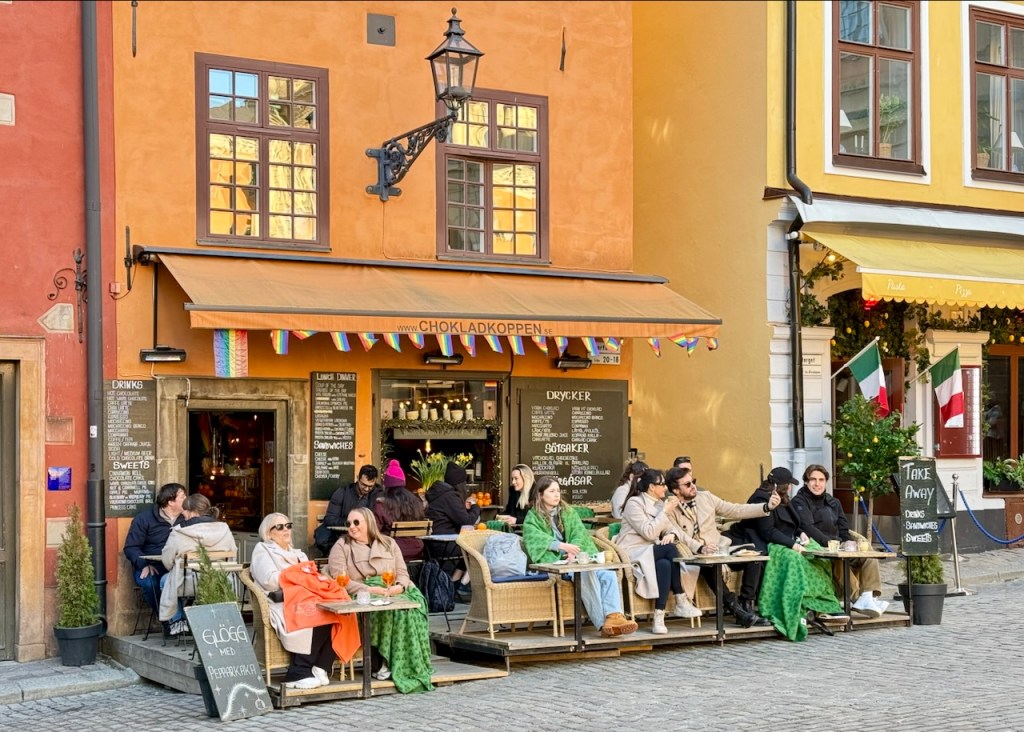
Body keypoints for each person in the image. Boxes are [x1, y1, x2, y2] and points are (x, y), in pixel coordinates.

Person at [733, 467, 848, 640]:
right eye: (789, 484)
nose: (791, 488)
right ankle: (798, 605)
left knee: (817, 555)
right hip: (769, 543)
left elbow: (795, 523)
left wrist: (800, 533)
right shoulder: (762, 498)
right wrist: (793, 544)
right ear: (782, 485)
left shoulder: (784, 499)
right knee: (796, 559)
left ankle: (824, 606)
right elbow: (768, 531)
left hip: (787, 540)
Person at [327, 507, 434, 693]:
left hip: (392, 588)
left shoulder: (388, 543)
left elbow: (402, 572)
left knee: (411, 609)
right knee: (397, 612)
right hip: (363, 592)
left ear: (369, 522)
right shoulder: (342, 546)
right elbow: (339, 579)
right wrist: (368, 589)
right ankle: (389, 662)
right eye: (348, 523)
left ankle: (405, 663)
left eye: (356, 522)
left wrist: (399, 587)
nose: (351, 527)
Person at [523, 476, 637, 637]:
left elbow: (579, 534)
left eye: (558, 491)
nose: (557, 495)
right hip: (555, 563)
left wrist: (573, 550)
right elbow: (532, 537)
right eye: (552, 491)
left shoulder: (568, 512)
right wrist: (560, 546)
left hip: (576, 558)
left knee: (608, 575)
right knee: (586, 573)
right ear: (541, 495)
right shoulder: (533, 516)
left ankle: (614, 616)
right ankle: (603, 623)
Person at [663, 466, 775, 627]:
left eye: (693, 482)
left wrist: (766, 507)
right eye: (687, 485)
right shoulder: (670, 508)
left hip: (719, 547)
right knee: (709, 566)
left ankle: (746, 606)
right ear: (675, 490)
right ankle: (734, 608)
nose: (693, 486)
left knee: (754, 557)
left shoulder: (705, 497)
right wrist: (701, 548)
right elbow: (679, 536)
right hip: (694, 555)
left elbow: (734, 510)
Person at [250, 512, 337, 689]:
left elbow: (312, 577)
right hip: (282, 602)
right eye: (279, 527)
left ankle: (321, 665)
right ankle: (298, 671)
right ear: (268, 533)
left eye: (288, 525)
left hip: (306, 598)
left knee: (338, 611)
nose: (286, 530)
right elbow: (271, 580)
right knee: (318, 612)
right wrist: (300, 577)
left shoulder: (299, 554)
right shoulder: (263, 550)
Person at [790, 464, 889, 618]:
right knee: (840, 560)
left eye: (821, 480)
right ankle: (856, 597)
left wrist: (849, 544)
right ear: (806, 482)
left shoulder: (834, 502)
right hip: (818, 547)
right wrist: (831, 545)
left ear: (826, 482)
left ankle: (868, 596)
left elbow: (844, 528)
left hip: (838, 544)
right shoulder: (799, 501)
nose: (817, 484)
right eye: (813, 480)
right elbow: (807, 527)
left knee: (868, 555)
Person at [613, 468, 689, 634]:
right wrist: (666, 512)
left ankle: (658, 615)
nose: (665, 488)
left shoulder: (660, 504)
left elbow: (670, 528)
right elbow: (649, 533)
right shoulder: (634, 504)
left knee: (664, 564)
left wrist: (670, 534)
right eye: (661, 484)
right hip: (633, 551)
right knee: (669, 550)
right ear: (651, 487)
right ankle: (680, 598)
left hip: (651, 551)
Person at [158, 494, 238, 629]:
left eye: (184, 511)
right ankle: (196, 620)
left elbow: (167, 561)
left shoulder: (179, 532)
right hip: (221, 580)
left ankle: (178, 621)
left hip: (188, 583)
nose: (183, 514)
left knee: (165, 580)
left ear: (192, 512)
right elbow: (233, 555)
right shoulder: (224, 528)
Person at [123, 482, 186, 637]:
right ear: (171, 502)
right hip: (153, 566)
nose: (187, 499)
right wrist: (143, 564)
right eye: (183, 496)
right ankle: (168, 620)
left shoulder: (187, 518)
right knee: (149, 582)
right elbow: (131, 547)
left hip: (180, 566)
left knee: (195, 581)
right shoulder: (144, 519)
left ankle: (183, 621)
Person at [425, 464, 480, 594]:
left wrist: (463, 507)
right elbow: (467, 521)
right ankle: (462, 583)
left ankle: (454, 582)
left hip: (433, 544)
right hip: (445, 544)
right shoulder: (450, 496)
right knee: (479, 547)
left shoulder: (440, 494)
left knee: (470, 548)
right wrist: (475, 507)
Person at [314, 464, 381, 555]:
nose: (366, 489)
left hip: (365, 534)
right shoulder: (343, 492)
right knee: (323, 538)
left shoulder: (378, 494)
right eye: (363, 485)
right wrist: (350, 522)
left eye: (370, 486)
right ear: (358, 478)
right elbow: (330, 518)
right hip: (342, 533)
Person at [373, 459, 426, 561]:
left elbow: (374, 531)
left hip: (391, 550)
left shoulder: (382, 505)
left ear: (386, 485)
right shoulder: (416, 502)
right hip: (417, 549)